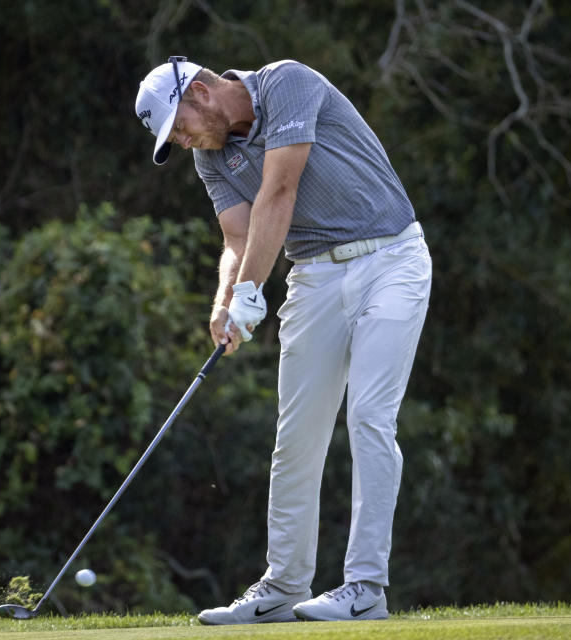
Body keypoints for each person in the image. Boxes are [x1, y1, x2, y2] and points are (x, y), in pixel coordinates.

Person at [134, 56, 431, 624]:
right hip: (315, 274)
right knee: (296, 435)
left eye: (181, 126)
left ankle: (365, 587)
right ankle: (284, 587)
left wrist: (251, 289)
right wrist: (226, 301)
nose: (185, 141)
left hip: (391, 258)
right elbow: (237, 235)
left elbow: (280, 191)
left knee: (369, 416)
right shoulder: (209, 156)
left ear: (199, 92)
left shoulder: (287, 83)